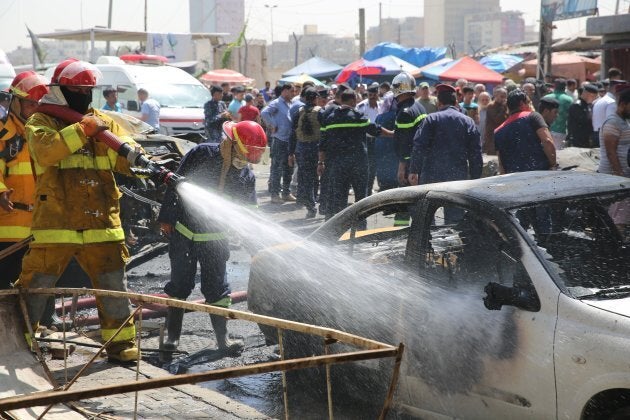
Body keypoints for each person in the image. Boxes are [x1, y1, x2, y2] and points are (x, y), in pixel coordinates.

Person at [19, 60, 141, 362]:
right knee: (37, 285)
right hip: (57, 221)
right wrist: (81, 130)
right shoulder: (41, 121)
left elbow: (123, 153)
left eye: (89, 91)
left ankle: (121, 345)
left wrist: (143, 161)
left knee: (113, 285)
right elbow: (47, 152)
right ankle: (19, 342)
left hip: (102, 219)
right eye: (78, 90)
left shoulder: (101, 121)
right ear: (60, 90)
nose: (85, 96)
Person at [158, 120, 266, 354]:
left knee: (217, 288)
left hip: (215, 238)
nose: (243, 162)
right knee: (180, 285)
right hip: (184, 233)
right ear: (232, 144)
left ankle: (222, 339)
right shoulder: (201, 153)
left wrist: (256, 244)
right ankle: (172, 338)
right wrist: (165, 217)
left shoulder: (246, 174)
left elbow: (249, 213)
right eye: (242, 155)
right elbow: (174, 183)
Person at [0, 72, 49, 289]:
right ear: (15, 102)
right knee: (6, 283)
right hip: (9, 224)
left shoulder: (41, 132)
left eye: (38, 104)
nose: (34, 109)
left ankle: (45, 319)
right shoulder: (3, 132)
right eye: (30, 103)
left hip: (40, 224)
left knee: (41, 279)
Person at [408, 84, 482, 224]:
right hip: (457, 177)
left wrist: (414, 170)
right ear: (456, 102)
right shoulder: (467, 121)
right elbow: (475, 152)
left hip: (431, 175)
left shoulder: (431, 119)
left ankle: (427, 245)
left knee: (427, 218)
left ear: (438, 102)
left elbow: (419, 145)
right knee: (455, 219)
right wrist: (475, 176)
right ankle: (453, 245)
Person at [494, 89, 557, 236]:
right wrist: (553, 164)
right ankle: (547, 251)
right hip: (538, 177)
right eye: (528, 102)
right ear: (522, 103)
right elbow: (547, 141)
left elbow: (501, 163)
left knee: (521, 222)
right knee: (543, 220)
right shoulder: (533, 117)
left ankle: (520, 252)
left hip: (516, 182)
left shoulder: (498, 131)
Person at [318, 89, 389, 219]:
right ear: (352, 101)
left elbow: (323, 144)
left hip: (337, 165)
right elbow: (375, 130)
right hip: (358, 164)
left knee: (339, 198)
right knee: (361, 198)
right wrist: (393, 134)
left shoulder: (329, 119)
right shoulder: (358, 116)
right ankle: (361, 228)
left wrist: (321, 163)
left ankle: (338, 230)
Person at [598, 88, 630, 236]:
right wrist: (619, 176)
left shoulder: (624, 122)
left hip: (622, 176)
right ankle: (616, 247)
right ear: (623, 104)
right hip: (615, 177)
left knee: (620, 214)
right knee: (618, 217)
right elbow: (611, 152)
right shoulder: (612, 122)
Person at [261, 83, 296, 203]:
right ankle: (275, 195)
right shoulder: (276, 103)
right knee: (277, 168)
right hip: (279, 140)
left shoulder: (290, 103)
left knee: (288, 168)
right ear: (284, 91)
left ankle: (286, 192)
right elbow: (264, 113)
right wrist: (272, 125)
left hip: (289, 141)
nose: (293, 94)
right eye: (291, 91)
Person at [392, 72, 427, 187]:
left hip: (410, 164)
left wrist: (402, 168)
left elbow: (405, 142)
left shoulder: (404, 113)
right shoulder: (419, 107)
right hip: (421, 159)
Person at [290, 88, 321, 218]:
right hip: (317, 149)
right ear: (315, 99)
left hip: (302, 150)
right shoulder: (320, 112)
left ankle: (310, 206)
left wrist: (290, 153)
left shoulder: (298, 112)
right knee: (317, 178)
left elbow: (292, 134)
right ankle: (320, 204)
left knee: (306, 179)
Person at [356, 82, 383, 195]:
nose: (372, 97)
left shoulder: (383, 105)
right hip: (366, 140)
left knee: (379, 164)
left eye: (374, 95)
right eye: (370, 95)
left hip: (380, 139)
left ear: (378, 94)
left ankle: (381, 188)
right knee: (368, 166)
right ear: (367, 94)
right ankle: (367, 190)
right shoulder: (361, 107)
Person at [542, 78, 575, 150]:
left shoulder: (546, 98)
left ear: (554, 86)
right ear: (565, 87)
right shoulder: (569, 100)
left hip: (545, 130)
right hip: (561, 131)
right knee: (557, 155)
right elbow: (571, 118)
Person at [567, 83, 599, 148]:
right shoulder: (577, 106)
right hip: (577, 142)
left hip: (586, 141)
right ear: (587, 94)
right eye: (593, 97)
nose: (594, 99)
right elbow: (583, 122)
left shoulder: (588, 106)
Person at [483, 87, 508, 155]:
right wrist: (504, 108)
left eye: (505, 97)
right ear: (496, 96)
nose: (504, 99)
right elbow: (497, 119)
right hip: (492, 136)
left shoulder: (504, 106)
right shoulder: (491, 106)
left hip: (503, 134)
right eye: (502, 96)